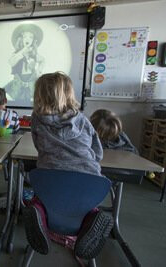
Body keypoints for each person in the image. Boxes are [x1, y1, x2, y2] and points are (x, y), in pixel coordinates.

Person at [23, 72, 113, 260]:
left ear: (39, 95)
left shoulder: (37, 119)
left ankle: (38, 211)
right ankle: (92, 218)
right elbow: (97, 153)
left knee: (42, 196)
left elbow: (39, 148)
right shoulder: (82, 120)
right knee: (87, 204)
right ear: (70, 94)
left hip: (51, 184)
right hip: (87, 185)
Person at [5, 24, 44, 103]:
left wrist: (39, 71)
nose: (28, 39)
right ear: (21, 39)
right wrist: (23, 50)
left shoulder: (34, 54)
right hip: (18, 85)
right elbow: (11, 62)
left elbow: (42, 60)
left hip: (31, 85)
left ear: (33, 40)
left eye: (31, 37)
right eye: (25, 36)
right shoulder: (17, 54)